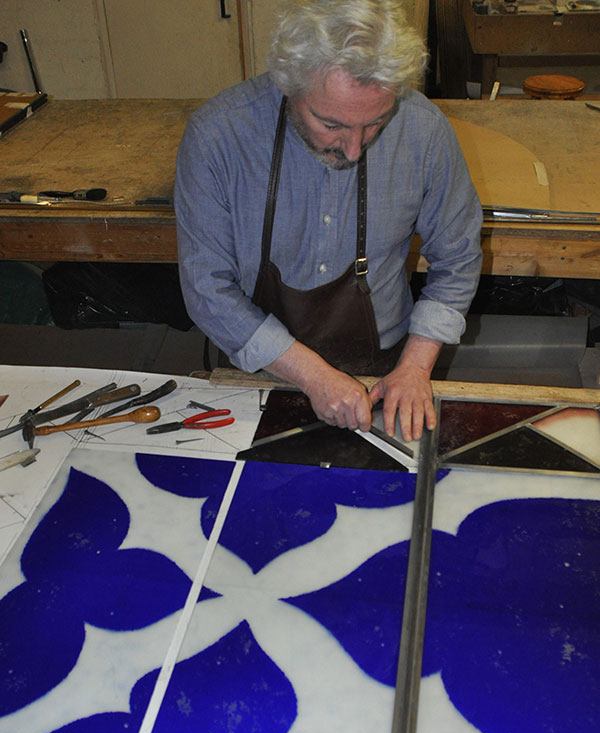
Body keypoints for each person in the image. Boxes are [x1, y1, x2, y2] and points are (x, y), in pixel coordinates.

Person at [175, 0, 482, 440]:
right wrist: (312, 375)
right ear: (289, 84)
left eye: (375, 123)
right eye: (331, 124)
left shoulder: (424, 132)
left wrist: (414, 368)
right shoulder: (218, 138)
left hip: (385, 366)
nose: (354, 149)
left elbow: (457, 259)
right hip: (259, 369)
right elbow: (207, 288)